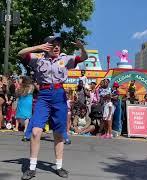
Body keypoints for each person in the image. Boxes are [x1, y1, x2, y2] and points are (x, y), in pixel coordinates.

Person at [18, 36, 88, 179]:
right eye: (53, 45)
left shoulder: (66, 59)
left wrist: (81, 47)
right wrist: (38, 47)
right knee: (36, 132)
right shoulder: (38, 58)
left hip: (59, 95)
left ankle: (59, 166)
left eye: (58, 45)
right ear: (47, 46)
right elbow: (20, 53)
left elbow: (84, 57)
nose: (56, 47)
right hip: (43, 96)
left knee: (58, 133)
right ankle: (31, 168)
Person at [15, 76, 34, 140]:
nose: (19, 80)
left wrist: (19, 89)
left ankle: (25, 128)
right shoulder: (21, 86)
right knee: (22, 115)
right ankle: (25, 127)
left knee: (26, 115)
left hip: (26, 100)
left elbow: (28, 92)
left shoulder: (30, 86)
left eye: (20, 79)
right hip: (23, 100)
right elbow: (17, 94)